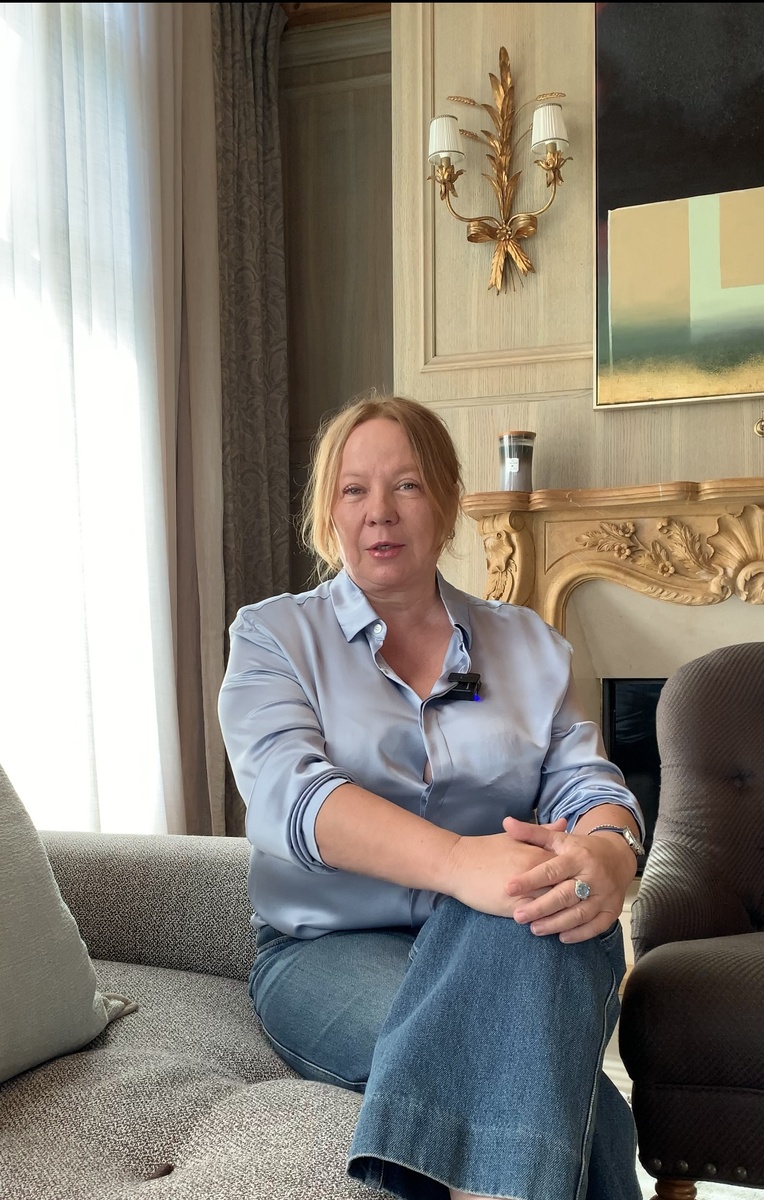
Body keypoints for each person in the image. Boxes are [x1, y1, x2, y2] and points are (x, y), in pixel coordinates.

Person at [218, 393, 645, 1200]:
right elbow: (288, 797)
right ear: (329, 510)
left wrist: (609, 850)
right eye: (354, 489)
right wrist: (456, 862)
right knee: (576, 1099)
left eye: (406, 485)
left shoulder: (528, 645)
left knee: (546, 917)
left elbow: (586, 783)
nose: (379, 511)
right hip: (328, 949)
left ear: (447, 500)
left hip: (502, 925)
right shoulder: (274, 637)